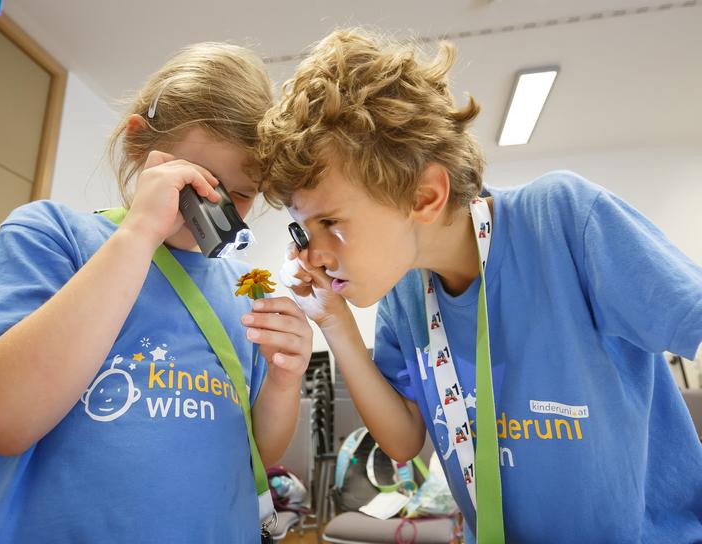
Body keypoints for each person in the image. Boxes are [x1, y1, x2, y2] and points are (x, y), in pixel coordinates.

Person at [258, 28, 702, 543]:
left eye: (330, 222)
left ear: (425, 196)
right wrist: (335, 323)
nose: (312, 254)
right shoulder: (406, 289)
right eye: (300, 230)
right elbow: (403, 442)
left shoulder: (564, 221)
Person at [0, 42, 312, 543]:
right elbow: (2, 421)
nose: (216, 209)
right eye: (200, 184)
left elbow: (258, 450)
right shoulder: (51, 235)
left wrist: (284, 381)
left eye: (240, 194)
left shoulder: (243, 288)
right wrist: (137, 236)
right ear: (138, 147)